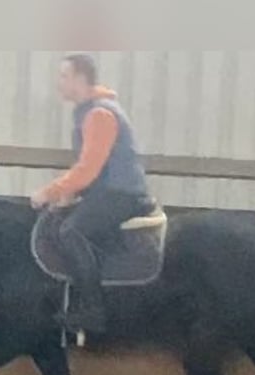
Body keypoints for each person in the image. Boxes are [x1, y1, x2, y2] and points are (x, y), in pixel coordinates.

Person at [31, 53, 152, 334]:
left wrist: (48, 192)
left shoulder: (99, 114)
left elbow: (88, 169)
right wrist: (68, 195)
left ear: (80, 79)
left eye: (64, 76)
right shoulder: (90, 111)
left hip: (121, 193)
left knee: (71, 232)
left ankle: (93, 312)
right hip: (106, 190)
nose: (59, 83)